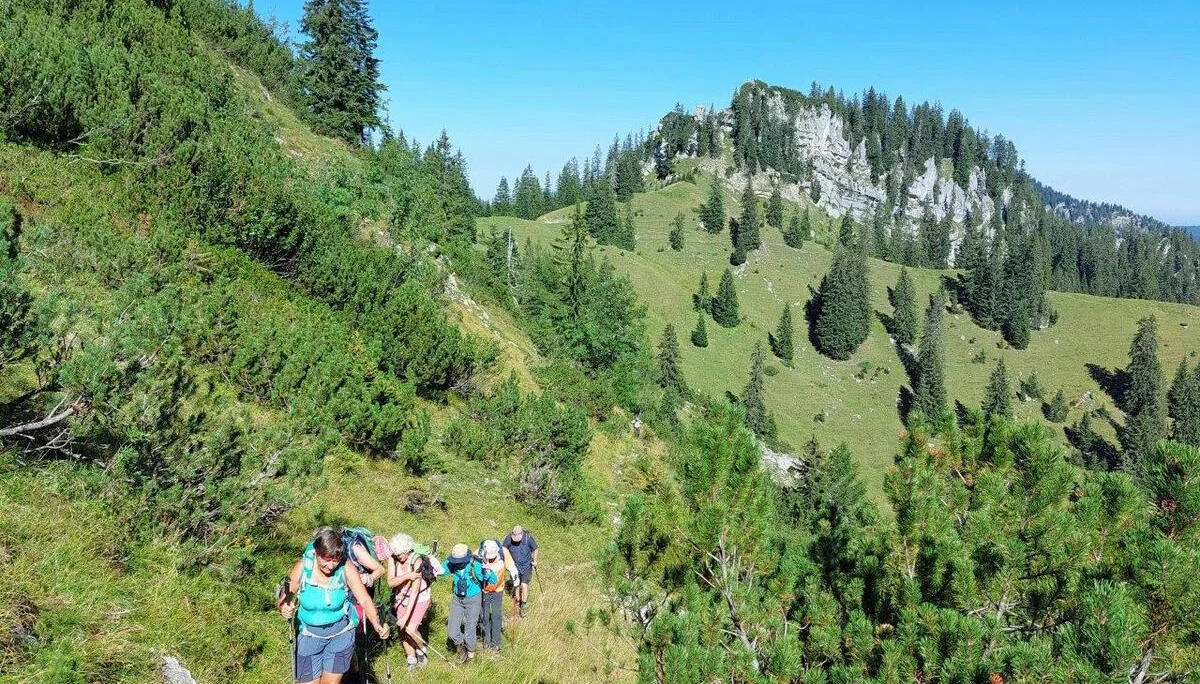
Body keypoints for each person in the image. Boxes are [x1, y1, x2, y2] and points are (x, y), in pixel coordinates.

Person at [278, 528, 390, 684]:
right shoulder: (303, 567)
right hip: (309, 637)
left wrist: (377, 624)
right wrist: (284, 606)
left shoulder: (346, 568)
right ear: (316, 552)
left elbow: (364, 599)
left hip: (340, 636)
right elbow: (286, 595)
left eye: (335, 559)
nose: (331, 565)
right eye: (326, 558)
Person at [387, 533, 434, 671]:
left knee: (411, 629)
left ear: (408, 551)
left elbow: (414, 592)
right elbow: (390, 583)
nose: (397, 556)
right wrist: (408, 575)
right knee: (403, 629)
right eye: (395, 554)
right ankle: (411, 658)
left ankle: (421, 650)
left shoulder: (417, 560)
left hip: (419, 598)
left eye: (400, 554)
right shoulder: (393, 558)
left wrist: (405, 617)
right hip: (401, 597)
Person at [443, 542, 495, 664]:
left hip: (473, 600)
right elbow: (440, 569)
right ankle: (461, 647)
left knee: (469, 630)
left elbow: (493, 580)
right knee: (452, 631)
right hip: (457, 600)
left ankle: (470, 657)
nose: (456, 562)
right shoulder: (452, 564)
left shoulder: (476, 565)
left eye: (458, 560)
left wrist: (487, 571)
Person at [478, 539, 518, 655]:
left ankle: (496, 643)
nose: (490, 559)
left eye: (493, 556)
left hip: (498, 589)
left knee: (496, 615)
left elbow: (512, 567)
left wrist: (516, 578)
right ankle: (486, 640)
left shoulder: (503, 552)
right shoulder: (478, 553)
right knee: (484, 615)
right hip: (483, 590)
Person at [502, 526, 539, 617]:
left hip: (526, 566)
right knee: (516, 585)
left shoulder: (528, 538)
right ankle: (517, 600)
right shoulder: (508, 539)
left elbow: (535, 549)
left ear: (521, 534)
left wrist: (535, 560)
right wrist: (506, 562)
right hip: (514, 567)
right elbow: (504, 549)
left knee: (524, 585)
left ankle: (524, 605)